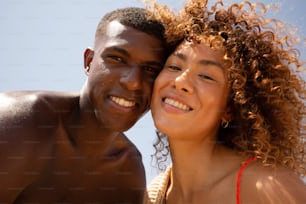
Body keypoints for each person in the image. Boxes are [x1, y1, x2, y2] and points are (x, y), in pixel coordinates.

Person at [0, 7, 168, 203]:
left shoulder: (128, 173)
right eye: (117, 59)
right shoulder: (21, 124)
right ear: (89, 61)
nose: (133, 82)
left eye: (150, 69)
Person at [144, 0, 306, 203]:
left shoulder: (268, 187)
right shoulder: (151, 195)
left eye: (206, 76)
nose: (180, 82)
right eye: (174, 67)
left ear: (229, 107)